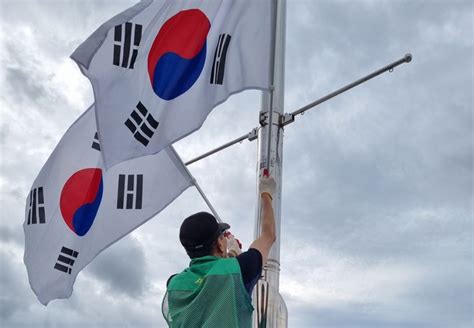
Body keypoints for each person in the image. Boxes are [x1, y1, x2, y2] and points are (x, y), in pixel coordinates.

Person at [162, 174, 277, 328]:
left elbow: (206, 288)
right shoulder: (241, 269)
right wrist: (266, 193)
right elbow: (268, 236)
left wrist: (231, 257)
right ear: (220, 245)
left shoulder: (173, 283)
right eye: (222, 236)